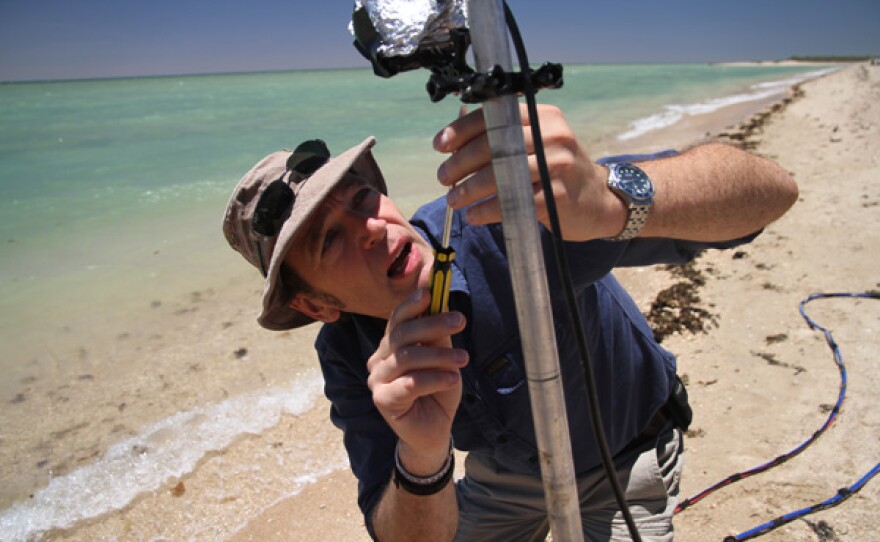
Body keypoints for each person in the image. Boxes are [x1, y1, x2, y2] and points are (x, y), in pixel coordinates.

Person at [222, 104, 798, 541]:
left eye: (362, 196)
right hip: (508, 471)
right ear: (316, 305)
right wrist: (423, 455)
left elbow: (770, 194)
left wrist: (607, 199)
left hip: (626, 452)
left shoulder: (505, 224)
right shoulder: (348, 352)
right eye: (330, 240)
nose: (371, 226)